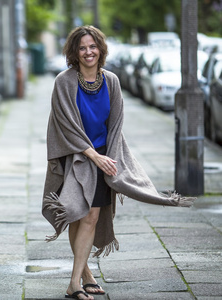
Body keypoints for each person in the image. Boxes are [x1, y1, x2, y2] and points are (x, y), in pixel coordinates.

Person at [41, 25, 195, 300]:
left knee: (90, 215)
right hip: (75, 155)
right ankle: (77, 280)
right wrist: (93, 155)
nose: (88, 52)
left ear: (100, 49)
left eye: (92, 46)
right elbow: (65, 125)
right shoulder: (64, 81)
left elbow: (116, 124)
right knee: (78, 213)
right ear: (74, 53)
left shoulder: (111, 80)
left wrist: (109, 157)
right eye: (82, 48)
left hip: (104, 155)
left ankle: (80, 276)